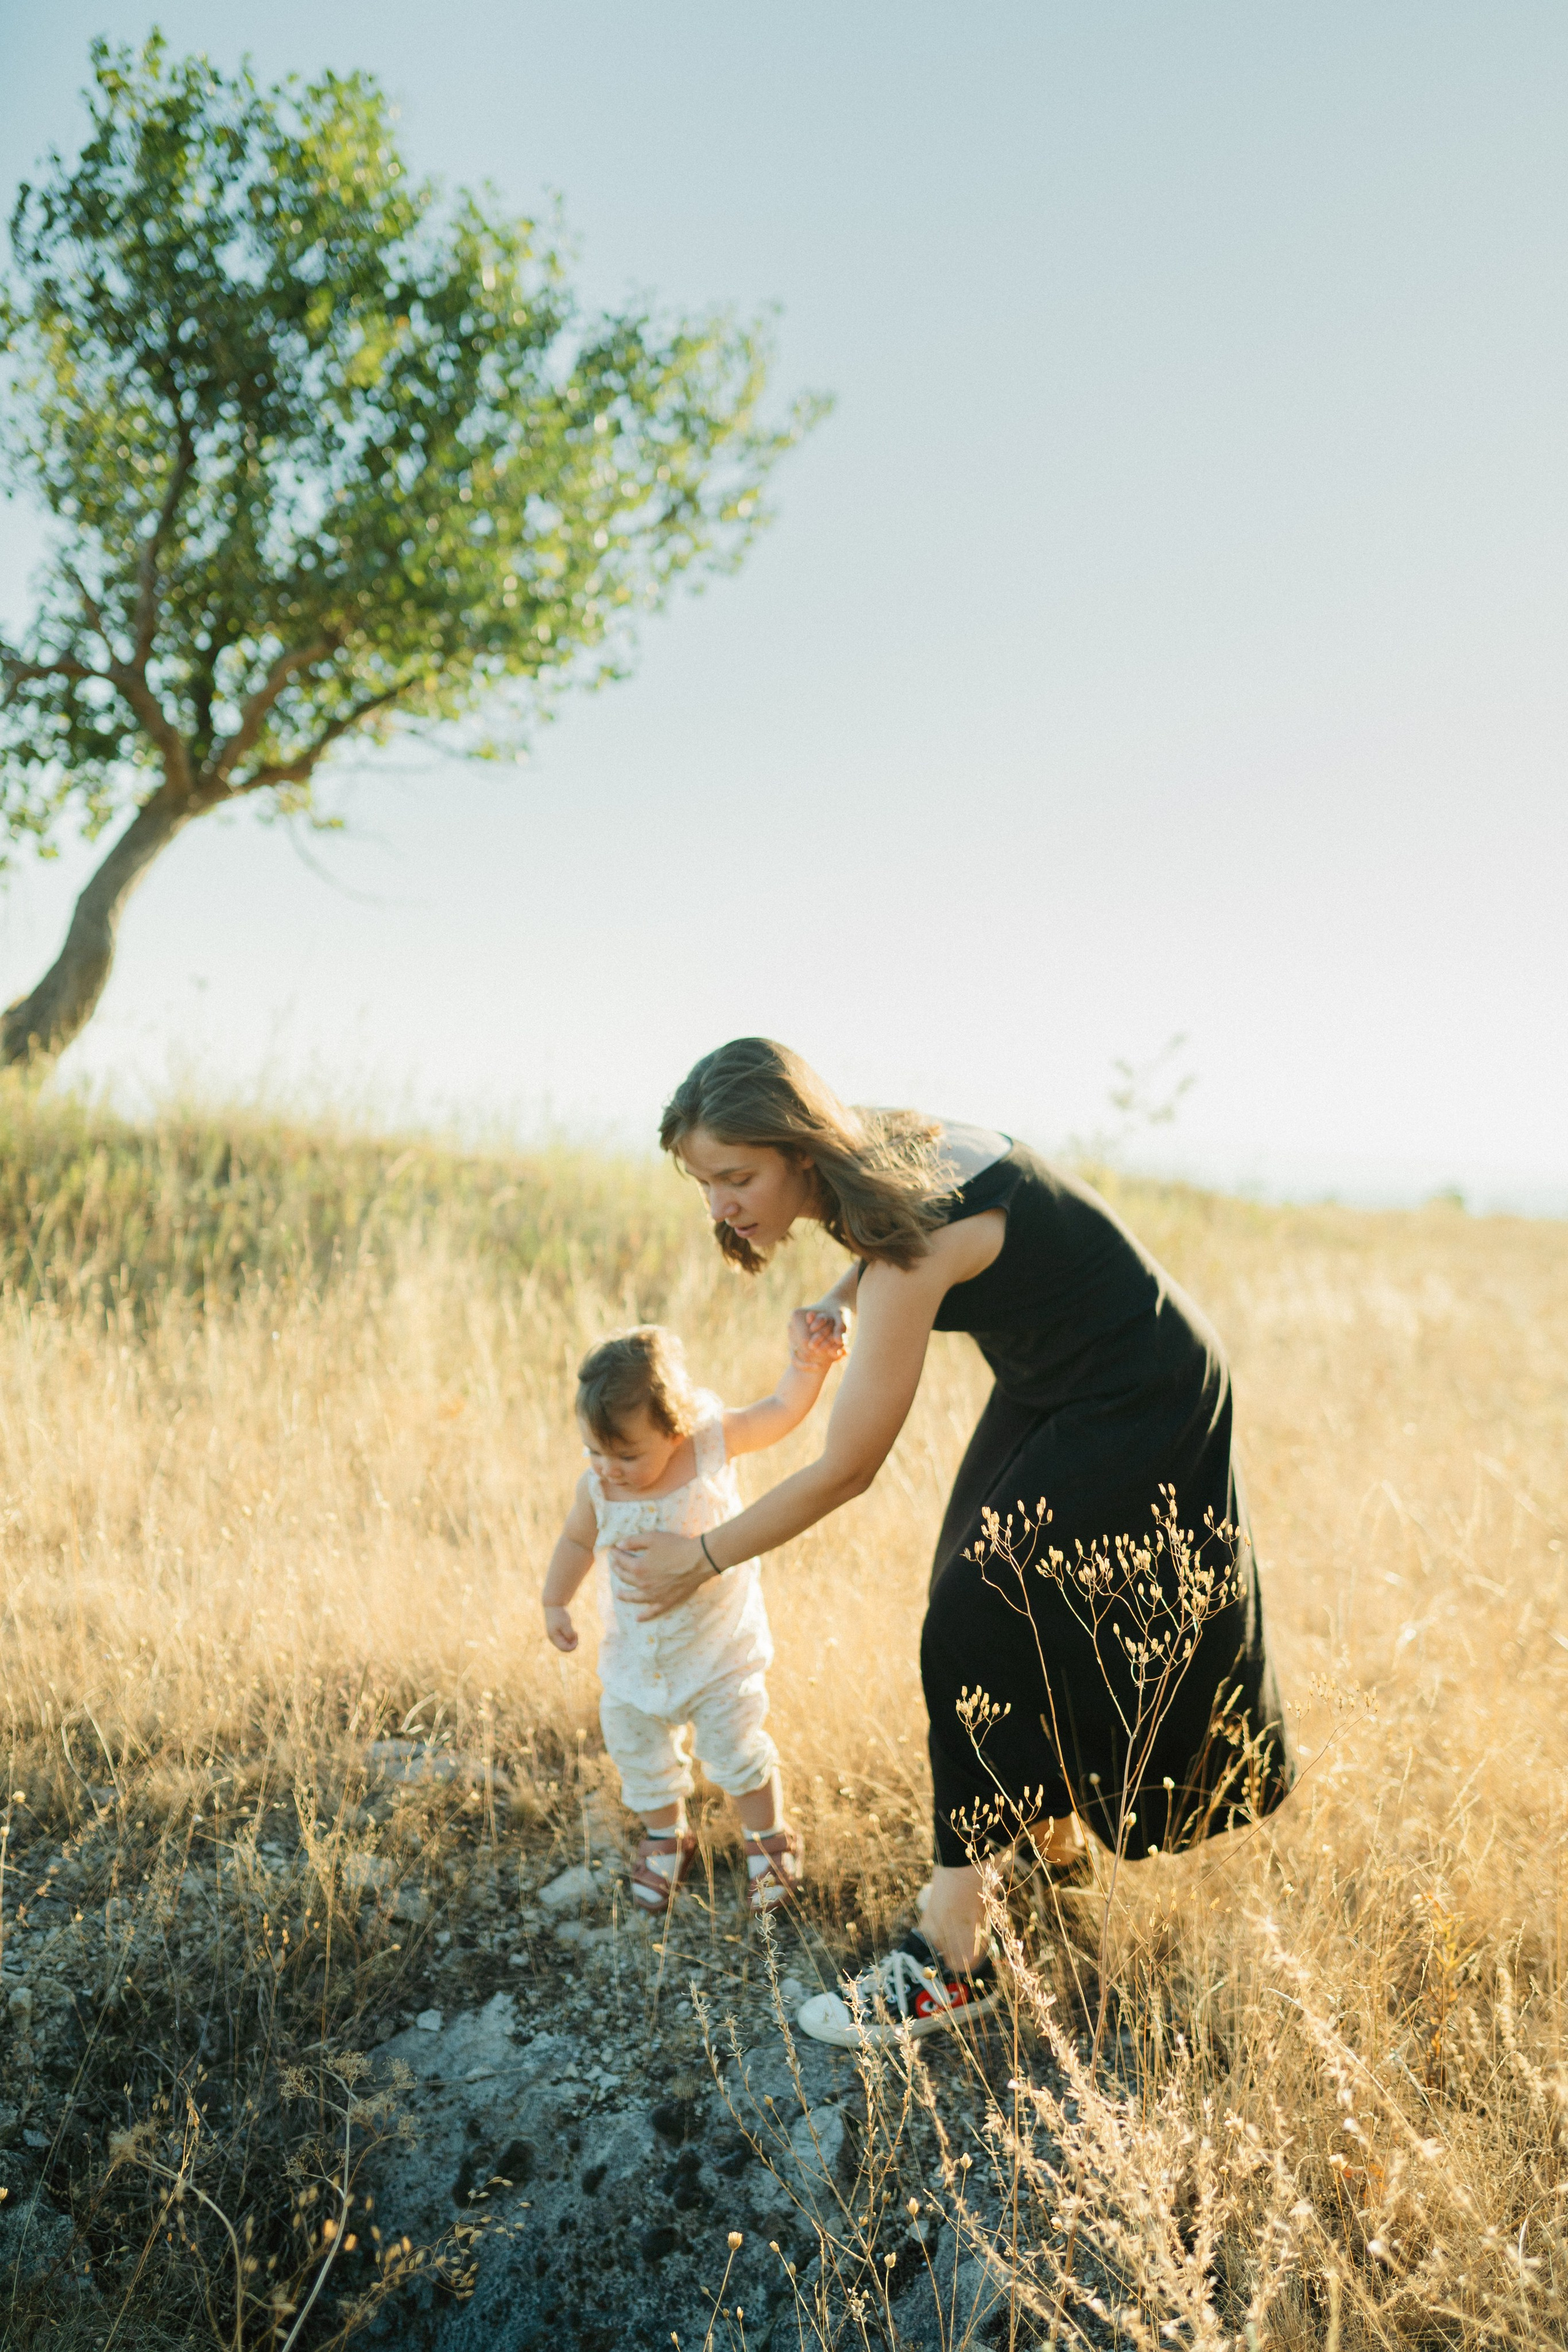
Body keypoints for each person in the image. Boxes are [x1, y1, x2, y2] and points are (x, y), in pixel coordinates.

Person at [612, 1039, 1292, 2045]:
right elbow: (887, 1216)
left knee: (975, 1619)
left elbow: (847, 1469)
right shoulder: (873, 1142)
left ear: (800, 1148)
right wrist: (839, 1300)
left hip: (1143, 1388)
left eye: (736, 1177)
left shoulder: (912, 1245)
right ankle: (1047, 1832)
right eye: (704, 1183)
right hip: (1060, 1376)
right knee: (980, 1590)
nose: (720, 1205)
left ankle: (952, 1956)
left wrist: (701, 1557)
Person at [541, 1318, 841, 1913]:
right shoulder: (598, 1489)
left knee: (735, 1748)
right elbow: (577, 1543)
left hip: (717, 1649)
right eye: (593, 1450)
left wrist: (808, 1367)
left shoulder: (709, 1443)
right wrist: (555, 1599)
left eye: (626, 1454)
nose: (607, 1467)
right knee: (637, 1748)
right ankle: (666, 1834)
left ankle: (768, 1838)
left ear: (675, 1429)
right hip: (636, 1655)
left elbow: (779, 1411)